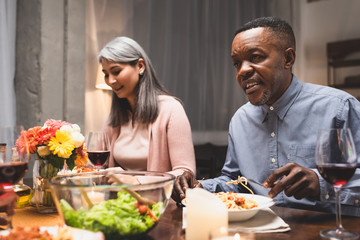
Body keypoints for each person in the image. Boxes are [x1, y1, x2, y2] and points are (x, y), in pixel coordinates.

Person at [173, 17, 360, 216]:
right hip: (259, 231)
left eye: (255, 57)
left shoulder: (338, 108)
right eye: (237, 63)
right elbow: (236, 181)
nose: (242, 71)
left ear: (288, 59)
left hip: (327, 231)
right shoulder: (240, 119)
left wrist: (320, 184)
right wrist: (201, 189)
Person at [97, 36, 196, 177]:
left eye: (116, 71)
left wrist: (138, 182)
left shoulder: (171, 109)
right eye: (106, 74)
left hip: (158, 199)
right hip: (119, 198)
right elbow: (95, 165)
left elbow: (185, 172)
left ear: (140, 66)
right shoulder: (115, 117)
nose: (110, 81)